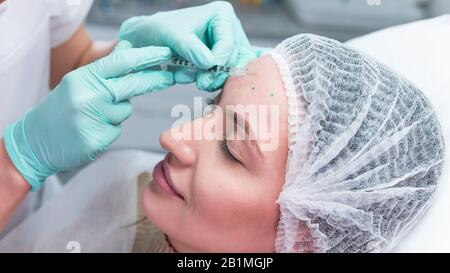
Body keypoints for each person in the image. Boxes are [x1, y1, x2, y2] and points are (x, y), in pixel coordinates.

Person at [0, 34, 444, 253]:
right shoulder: (125, 185)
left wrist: (16, 164)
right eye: (212, 106)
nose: (172, 137)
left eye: (232, 150)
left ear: (305, 235)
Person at [0, 0, 259, 235]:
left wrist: (131, 54)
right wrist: (17, 163)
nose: (170, 137)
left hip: (33, 220)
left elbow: (70, 61)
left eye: (231, 150)